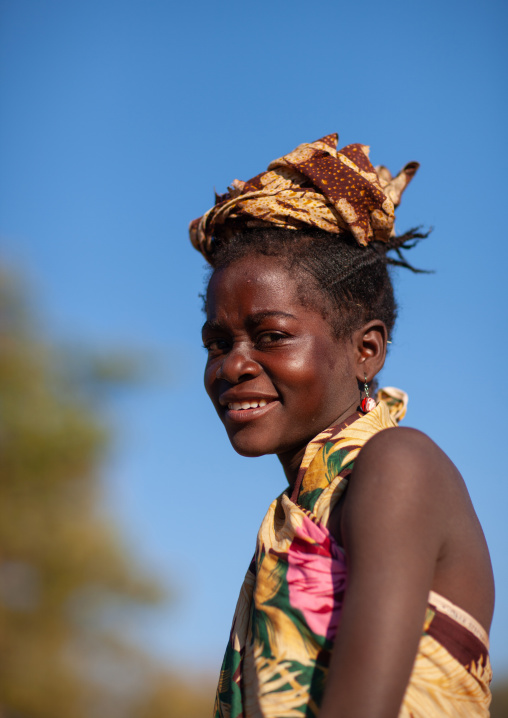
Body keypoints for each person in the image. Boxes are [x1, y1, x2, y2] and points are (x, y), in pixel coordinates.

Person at [189, 133, 494, 718]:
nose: (233, 365)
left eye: (272, 336)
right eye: (218, 343)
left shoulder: (396, 466)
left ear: (367, 351)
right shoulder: (302, 509)